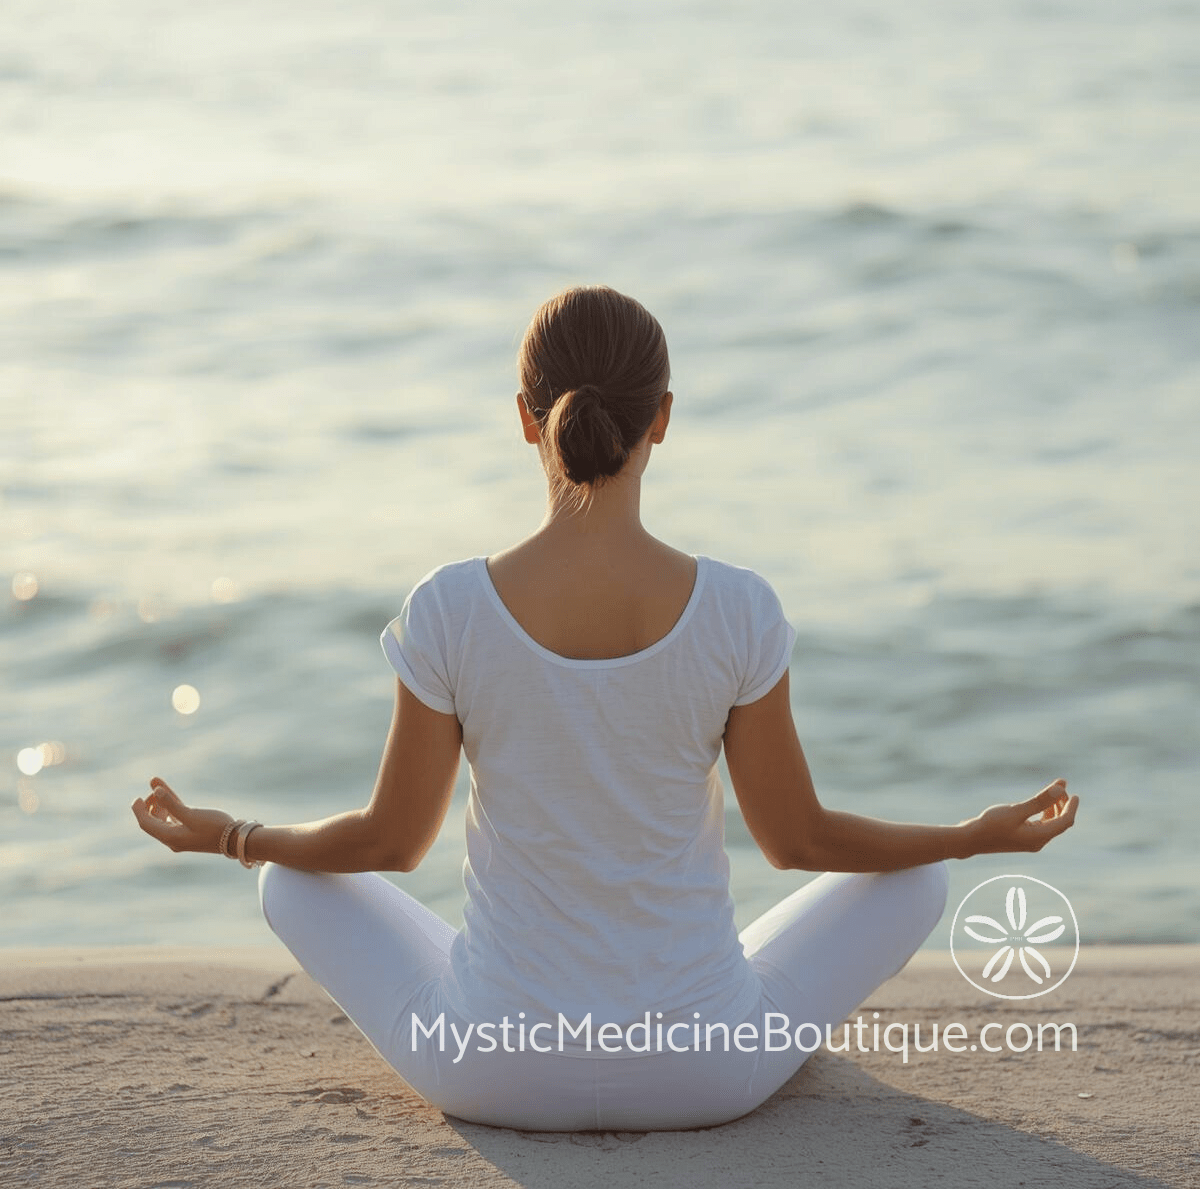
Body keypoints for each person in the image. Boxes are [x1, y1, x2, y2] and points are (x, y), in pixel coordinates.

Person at [132, 285, 1079, 1132]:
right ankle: (707, 987)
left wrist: (232, 835)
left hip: (493, 1072)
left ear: (523, 419)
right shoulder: (738, 609)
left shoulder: (451, 608)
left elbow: (391, 843)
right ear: (661, 420)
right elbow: (796, 840)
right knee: (920, 876)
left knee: (284, 876)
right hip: (708, 1075)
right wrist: (972, 834)